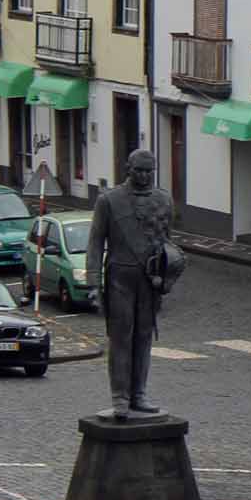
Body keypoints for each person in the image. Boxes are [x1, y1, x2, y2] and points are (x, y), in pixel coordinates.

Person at [86, 148, 174, 416]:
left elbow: (167, 242)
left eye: (149, 171)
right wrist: (93, 283)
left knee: (144, 338)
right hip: (119, 278)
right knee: (121, 339)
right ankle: (120, 398)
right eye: (139, 171)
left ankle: (139, 393)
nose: (145, 176)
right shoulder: (109, 201)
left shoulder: (164, 200)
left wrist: (168, 273)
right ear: (128, 169)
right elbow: (95, 242)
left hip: (149, 281)